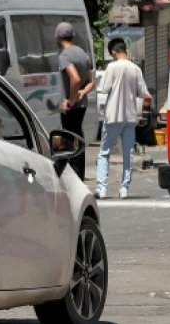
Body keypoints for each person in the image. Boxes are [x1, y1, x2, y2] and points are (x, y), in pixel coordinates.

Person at [95, 38, 148, 199]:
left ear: (113, 52)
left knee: (104, 152)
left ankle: (102, 188)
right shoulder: (135, 69)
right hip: (130, 116)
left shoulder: (112, 67)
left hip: (113, 115)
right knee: (128, 153)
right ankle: (124, 188)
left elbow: (103, 88)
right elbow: (142, 93)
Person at [56, 22, 93, 179]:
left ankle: (69, 177)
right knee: (77, 139)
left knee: (68, 142)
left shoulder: (65, 55)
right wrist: (82, 93)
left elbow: (75, 78)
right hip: (82, 105)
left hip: (72, 107)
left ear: (57, 37)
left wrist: (70, 101)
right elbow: (91, 81)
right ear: (73, 36)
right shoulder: (82, 53)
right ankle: (77, 176)